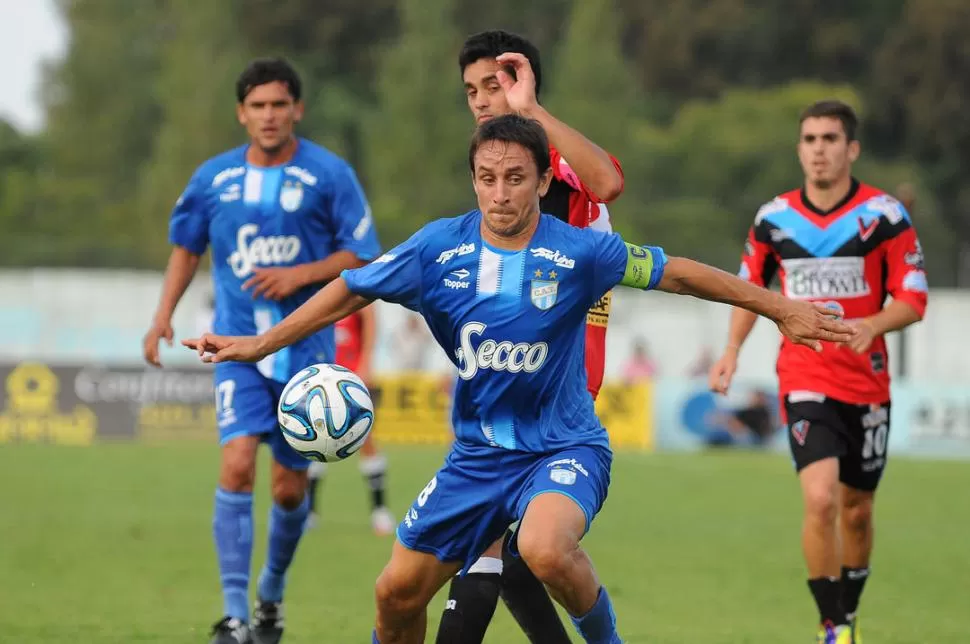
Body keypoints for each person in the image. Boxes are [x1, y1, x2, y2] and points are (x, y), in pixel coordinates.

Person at [184, 114, 856, 644]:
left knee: (540, 547)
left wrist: (782, 308)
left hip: (564, 447)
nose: (500, 192)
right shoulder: (437, 249)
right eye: (486, 177)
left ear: (541, 181)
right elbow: (351, 288)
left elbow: (680, 271)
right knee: (394, 596)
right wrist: (260, 343)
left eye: (514, 177)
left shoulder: (580, 251)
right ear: (472, 179)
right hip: (476, 460)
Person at [142, 57, 381, 644]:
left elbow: (364, 257)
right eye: (258, 106)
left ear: (296, 109)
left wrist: (301, 273)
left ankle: (270, 594)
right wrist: (162, 316)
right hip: (235, 349)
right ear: (241, 113)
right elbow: (185, 246)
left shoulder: (330, 174)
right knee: (236, 463)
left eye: (280, 104)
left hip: (305, 353)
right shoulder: (213, 179)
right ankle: (233, 615)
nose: (269, 115)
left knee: (288, 488)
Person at [708, 99, 928, 644]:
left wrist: (874, 324)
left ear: (850, 149)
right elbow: (749, 291)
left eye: (830, 139)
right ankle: (832, 626)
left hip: (867, 383)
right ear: (799, 149)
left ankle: (848, 612)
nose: (819, 150)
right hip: (805, 377)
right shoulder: (772, 219)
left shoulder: (885, 217)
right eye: (809, 140)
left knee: (856, 510)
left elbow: (915, 297)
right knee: (821, 498)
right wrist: (732, 349)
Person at [440, 29, 625, 644]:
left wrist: (533, 111)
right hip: (503, 380)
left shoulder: (551, 167)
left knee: (502, 548)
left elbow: (609, 183)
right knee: (509, 553)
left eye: (495, 85)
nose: (483, 100)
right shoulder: (499, 175)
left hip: (557, 387)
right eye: (473, 90)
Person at [305, 305, 396, 536]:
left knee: (366, 439)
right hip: (323, 378)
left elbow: (370, 320)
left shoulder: (354, 286)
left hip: (351, 378)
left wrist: (367, 363)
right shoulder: (319, 290)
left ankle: (379, 510)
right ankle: (310, 511)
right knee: (315, 438)